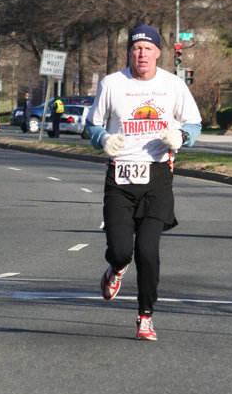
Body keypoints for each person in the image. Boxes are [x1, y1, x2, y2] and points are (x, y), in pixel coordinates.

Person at [85, 24, 202, 342]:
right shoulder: (112, 84)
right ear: (130, 53)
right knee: (122, 251)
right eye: (137, 48)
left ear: (158, 53)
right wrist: (103, 139)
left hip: (157, 177)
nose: (142, 54)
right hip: (121, 177)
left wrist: (182, 135)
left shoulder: (173, 85)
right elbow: (92, 123)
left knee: (148, 251)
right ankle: (115, 269)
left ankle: (145, 316)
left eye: (148, 48)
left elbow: (194, 122)